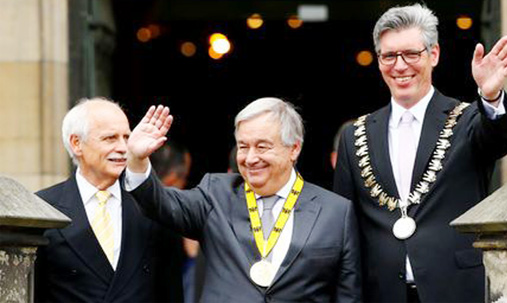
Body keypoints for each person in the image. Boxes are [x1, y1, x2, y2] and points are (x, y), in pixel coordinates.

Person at [333, 4, 507, 303]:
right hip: (379, 292)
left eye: (411, 54)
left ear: (433, 55)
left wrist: (490, 96)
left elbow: (505, 137)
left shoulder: (467, 121)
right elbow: (344, 230)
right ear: (379, 60)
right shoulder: (354, 136)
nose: (400, 66)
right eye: (389, 56)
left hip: (455, 290)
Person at [125, 97, 362, 302]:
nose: (250, 158)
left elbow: (348, 295)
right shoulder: (215, 194)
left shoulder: (335, 212)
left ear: (294, 149)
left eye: (262, 147)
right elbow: (159, 203)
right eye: (243, 147)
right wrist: (136, 160)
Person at [34, 98, 183, 303]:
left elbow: (171, 289)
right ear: (77, 143)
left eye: (126, 137)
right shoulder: (43, 208)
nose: (123, 147)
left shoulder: (152, 205)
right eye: (110, 138)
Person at [151, 143, 201, 303]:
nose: (185, 185)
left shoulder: (122, 205)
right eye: (185, 177)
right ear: (172, 179)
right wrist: (195, 257)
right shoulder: (171, 221)